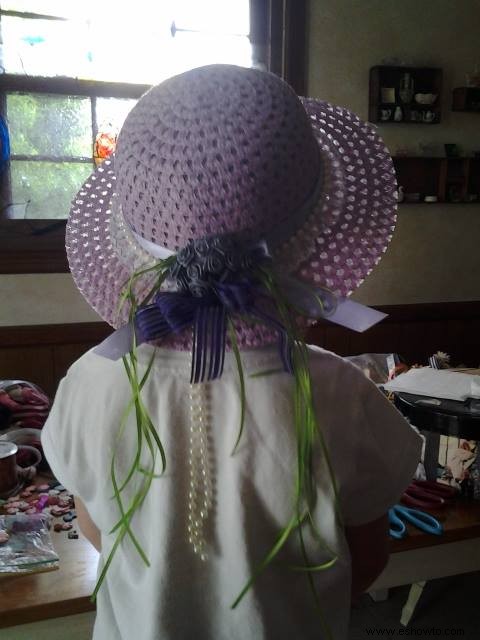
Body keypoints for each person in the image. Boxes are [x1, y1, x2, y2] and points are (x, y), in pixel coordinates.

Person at [41, 65, 421, 640]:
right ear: (313, 235)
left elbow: (96, 531)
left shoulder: (88, 382)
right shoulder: (342, 395)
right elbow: (365, 562)